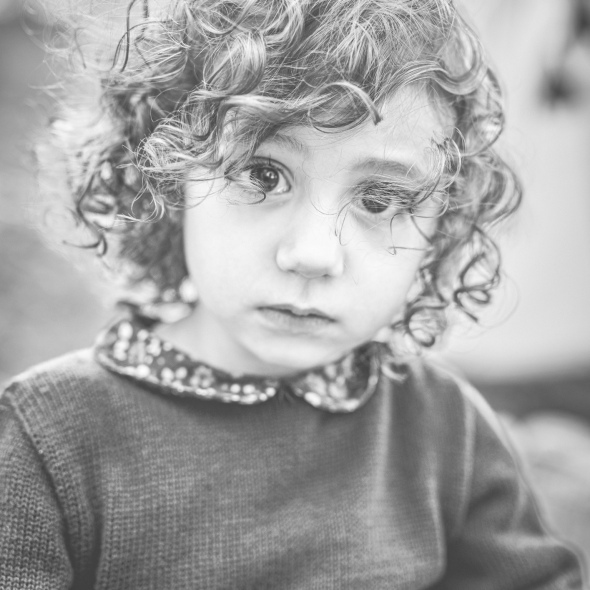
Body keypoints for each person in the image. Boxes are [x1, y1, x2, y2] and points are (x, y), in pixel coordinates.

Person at [0, 0, 586, 588]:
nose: (313, 254)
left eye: (379, 200)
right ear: (170, 175)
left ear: (442, 226)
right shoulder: (50, 438)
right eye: (263, 175)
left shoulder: (441, 427)